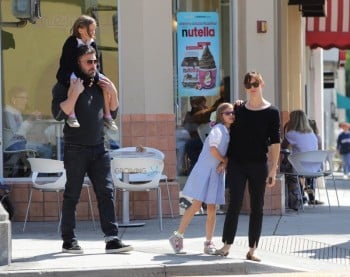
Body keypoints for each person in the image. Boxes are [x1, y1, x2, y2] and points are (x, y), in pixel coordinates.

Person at [51, 45, 132, 254]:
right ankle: (68, 239)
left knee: (106, 192)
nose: (94, 65)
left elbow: (111, 115)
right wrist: (75, 94)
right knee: (72, 195)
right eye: (89, 62)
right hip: (75, 148)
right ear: (78, 62)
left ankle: (112, 238)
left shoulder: (99, 84)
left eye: (95, 61)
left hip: (99, 147)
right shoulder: (64, 85)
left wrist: (113, 92)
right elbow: (60, 115)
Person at [215, 71, 281, 262]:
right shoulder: (239, 110)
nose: (252, 88)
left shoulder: (272, 112)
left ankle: (253, 249)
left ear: (262, 84)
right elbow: (225, 127)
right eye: (249, 85)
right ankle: (226, 245)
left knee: (257, 207)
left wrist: (273, 169)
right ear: (245, 88)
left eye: (255, 84)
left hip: (259, 164)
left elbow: (275, 142)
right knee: (234, 204)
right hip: (236, 163)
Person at [169, 102, 234, 255]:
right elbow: (213, 149)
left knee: (212, 208)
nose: (231, 115)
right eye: (227, 113)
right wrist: (224, 161)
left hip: (215, 172)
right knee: (196, 204)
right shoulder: (217, 130)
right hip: (206, 171)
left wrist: (224, 163)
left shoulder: (228, 132)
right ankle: (178, 236)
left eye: (232, 112)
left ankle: (208, 242)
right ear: (220, 116)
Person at [56, 14, 118, 131]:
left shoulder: (92, 43)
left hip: (89, 74)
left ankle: (108, 116)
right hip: (70, 72)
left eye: (94, 30)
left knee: (105, 82)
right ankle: (71, 115)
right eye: (91, 30)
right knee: (74, 81)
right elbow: (70, 64)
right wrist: (84, 77)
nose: (94, 33)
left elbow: (98, 63)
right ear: (81, 29)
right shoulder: (71, 43)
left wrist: (97, 76)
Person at [281, 110, 323, 207]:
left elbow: (283, 147)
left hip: (300, 168)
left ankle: (296, 199)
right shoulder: (312, 134)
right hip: (314, 168)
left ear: (293, 120)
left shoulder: (291, 134)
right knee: (294, 169)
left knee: (285, 169)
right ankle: (306, 196)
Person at [3, 86, 52, 159]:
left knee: (47, 146)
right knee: (46, 150)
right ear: (13, 99)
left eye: (26, 98)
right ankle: (42, 170)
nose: (26, 101)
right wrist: (30, 120)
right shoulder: (8, 113)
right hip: (12, 145)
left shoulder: (16, 112)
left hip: (18, 143)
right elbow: (17, 133)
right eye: (22, 98)